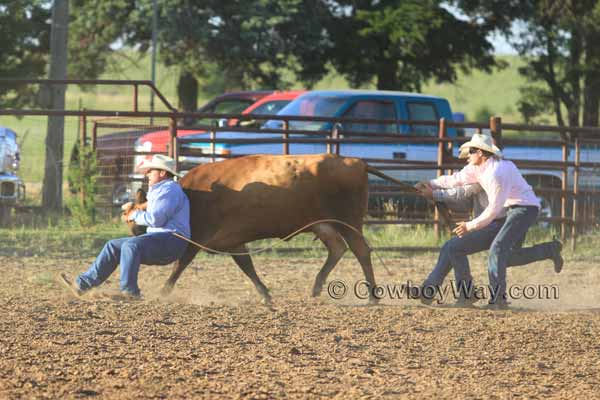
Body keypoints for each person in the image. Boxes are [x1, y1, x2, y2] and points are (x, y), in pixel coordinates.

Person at [417, 133, 559, 309]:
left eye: (471, 151)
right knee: (490, 253)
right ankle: (548, 250)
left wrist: (469, 225)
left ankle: (498, 301)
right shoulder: (477, 169)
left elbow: (494, 209)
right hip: (504, 215)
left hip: (523, 209)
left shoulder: (496, 173)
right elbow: (456, 179)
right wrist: (430, 183)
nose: (467, 155)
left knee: (497, 251)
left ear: (482, 153)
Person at [59, 154, 190, 299]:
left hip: (171, 241)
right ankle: (82, 285)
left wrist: (134, 214)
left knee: (130, 245)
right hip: (162, 239)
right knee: (113, 246)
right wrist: (136, 212)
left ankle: (130, 292)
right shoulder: (163, 190)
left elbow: (155, 219)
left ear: (162, 173)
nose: (147, 174)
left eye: (150, 171)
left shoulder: (169, 190)